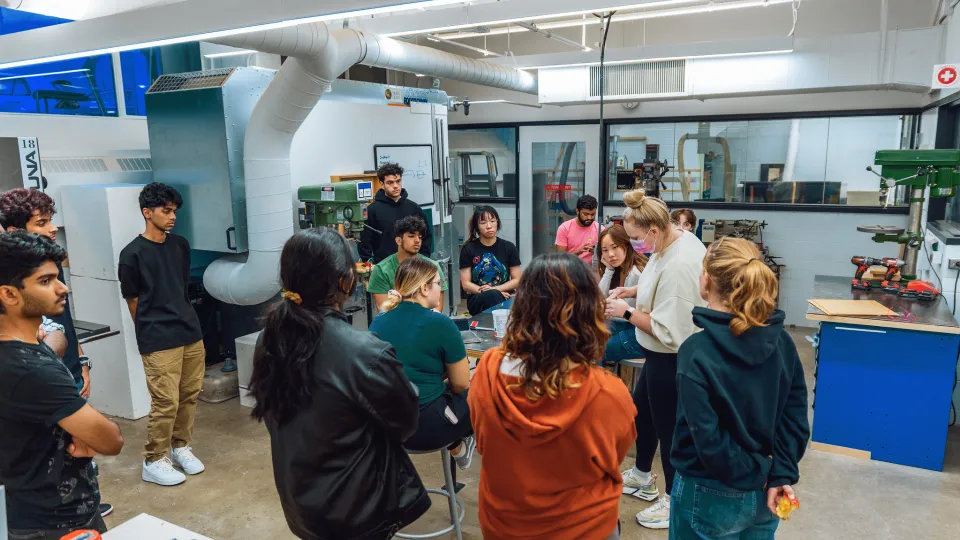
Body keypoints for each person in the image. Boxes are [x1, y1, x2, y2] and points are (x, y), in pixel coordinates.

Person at [249, 227, 429, 540]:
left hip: (300, 503)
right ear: (346, 281)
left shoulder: (270, 338)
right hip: (355, 512)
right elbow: (405, 423)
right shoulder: (364, 352)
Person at [469, 253, 637, 540]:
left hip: (506, 524)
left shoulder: (488, 370)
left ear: (521, 306)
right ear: (589, 311)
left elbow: (483, 441)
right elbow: (613, 457)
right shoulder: (608, 393)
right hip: (584, 527)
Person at [669, 238, 810, 539]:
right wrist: (778, 472)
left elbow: (708, 440)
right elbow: (794, 418)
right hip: (768, 491)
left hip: (708, 491)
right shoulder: (782, 342)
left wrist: (759, 472)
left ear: (706, 280)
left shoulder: (696, 352)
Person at [0, 231, 124, 540]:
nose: (62, 287)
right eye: (45, 281)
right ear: (9, 294)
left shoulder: (21, 351)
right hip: (55, 520)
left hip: (24, 507)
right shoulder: (32, 370)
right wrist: (85, 428)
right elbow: (111, 441)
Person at [603, 189, 707, 530]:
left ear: (653, 231)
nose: (634, 245)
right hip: (656, 353)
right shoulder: (674, 240)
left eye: (635, 239)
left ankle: (674, 501)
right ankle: (642, 475)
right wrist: (631, 290)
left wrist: (627, 311)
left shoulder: (679, 264)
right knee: (643, 414)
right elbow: (655, 282)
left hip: (671, 356)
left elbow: (669, 331)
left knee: (671, 431)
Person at [118, 182, 205, 487]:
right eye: (165, 211)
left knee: (190, 394)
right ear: (147, 212)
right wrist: (148, 335)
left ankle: (180, 447)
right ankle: (154, 459)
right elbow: (133, 301)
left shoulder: (180, 245)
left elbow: (179, 288)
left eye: (174, 211)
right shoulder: (132, 254)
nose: (172, 217)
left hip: (190, 331)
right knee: (166, 401)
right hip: (158, 336)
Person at [370, 257, 475, 468]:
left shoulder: (379, 321)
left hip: (386, 425)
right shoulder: (441, 323)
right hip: (426, 430)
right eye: (438, 283)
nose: (440, 289)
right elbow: (461, 384)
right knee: (479, 388)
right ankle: (459, 444)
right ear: (425, 288)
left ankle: (457, 446)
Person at [367, 216, 447, 312]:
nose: (417, 240)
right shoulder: (381, 270)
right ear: (398, 241)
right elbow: (384, 311)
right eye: (411, 236)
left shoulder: (432, 268)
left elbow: (437, 308)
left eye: (420, 237)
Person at [359, 163, 433, 264]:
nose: (395, 186)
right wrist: (371, 264)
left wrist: (422, 260)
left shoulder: (414, 208)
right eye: (390, 182)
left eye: (398, 181)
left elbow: (426, 236)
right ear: (381, 183)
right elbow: (364, 243)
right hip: (384, 268)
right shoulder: (372, 210)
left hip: (413, 266)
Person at [459, 205, 521, 316]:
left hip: (504, 297)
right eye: (483, 223)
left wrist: (496, 289)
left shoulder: (509, 247)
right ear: (477, 227)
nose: (489, 226)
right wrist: (492, 292)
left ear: (497, 222)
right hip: (477, 299)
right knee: (493, 296)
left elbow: (517, 280)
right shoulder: (468, 249)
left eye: (492, 221)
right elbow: (466, 284)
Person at [598, 225, 647, 336]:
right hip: (621, 323)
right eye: (605, 250)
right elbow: (599, 298)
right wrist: (608, 271)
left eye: (615, 247)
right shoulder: (617, 269)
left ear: (627, 245)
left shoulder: (635, 273)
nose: (610, 254)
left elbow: (624, 314)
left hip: (633, 327)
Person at [555, 194, 604, 269]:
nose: (589, 218)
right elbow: (560, 259)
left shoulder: (600, 229)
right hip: (571, 270)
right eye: (586, 214)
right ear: (577, 211)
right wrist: (578, 251)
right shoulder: (564, 228)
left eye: (593, 214)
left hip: (592, 271)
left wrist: (597, 252)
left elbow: (607, 256)